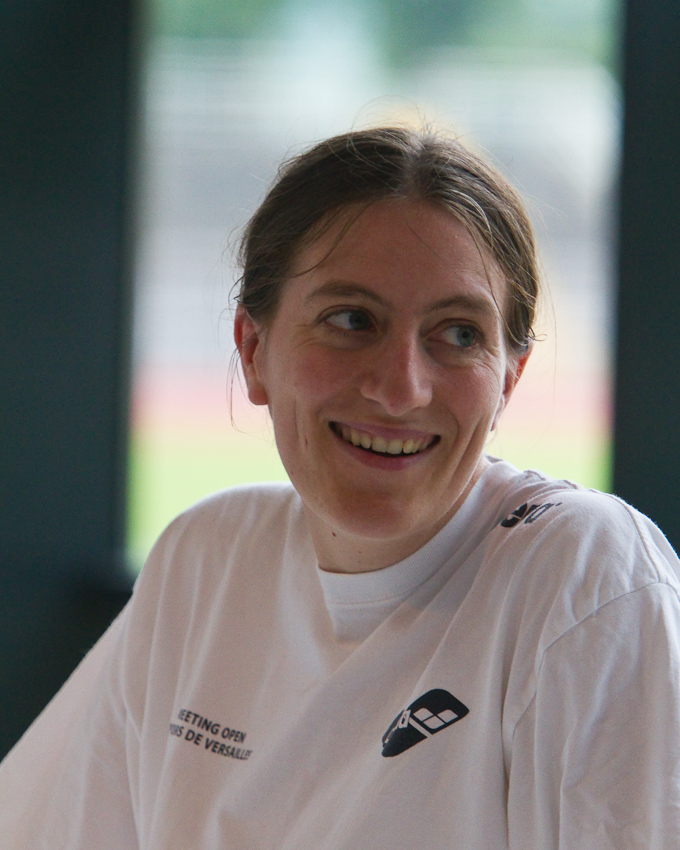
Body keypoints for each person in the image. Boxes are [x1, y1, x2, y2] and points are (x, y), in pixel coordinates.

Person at [2, 126, 680, 849]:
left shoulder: (587, 575)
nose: (401, 388)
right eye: (352, 320)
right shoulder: (206, 559)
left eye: (459, 334)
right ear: (254, 350)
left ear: (507, 380)